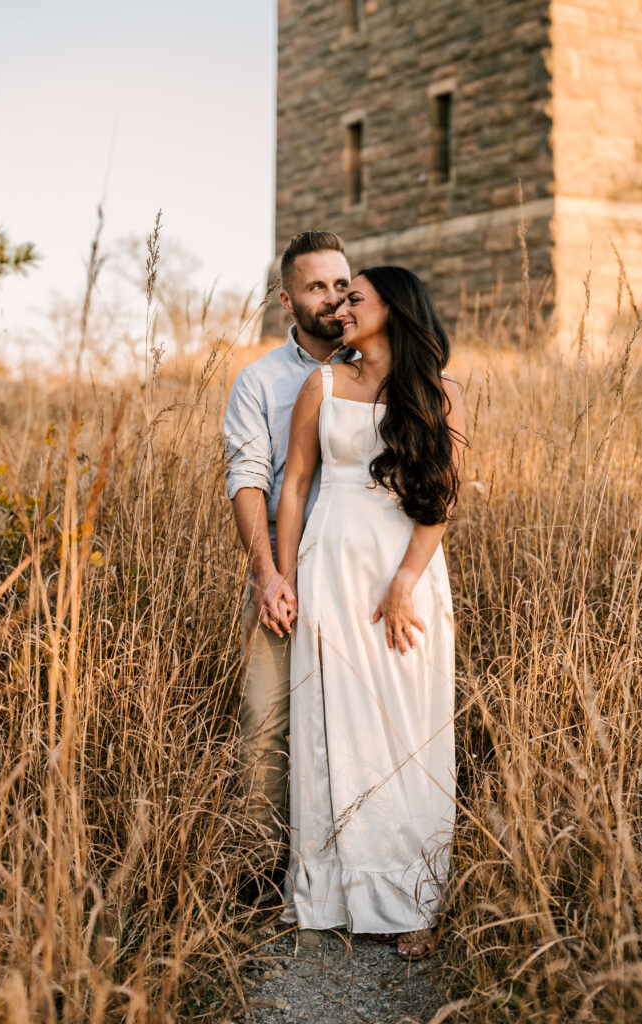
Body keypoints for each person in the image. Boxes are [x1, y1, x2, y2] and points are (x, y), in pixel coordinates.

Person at [276, 266, 466, 958]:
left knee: (408, 724)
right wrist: (284, 573)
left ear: (394, 308)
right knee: (335, 719)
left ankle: (413, 899)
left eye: (354, 298)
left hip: (404, 569)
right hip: (330, 560)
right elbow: (295, 484)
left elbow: (441, 497)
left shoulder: (437, 392)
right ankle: (332, 891)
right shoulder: (322, 383)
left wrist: (405, 581)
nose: (340, 307)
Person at [224, 230, 355, 899]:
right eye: (315, 287)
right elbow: (248, 476)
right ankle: (258, 869)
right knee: (266, 714)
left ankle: (352, 864)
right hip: (287, 570)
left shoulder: (382, 367)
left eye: (341, 284)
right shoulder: (261, 381)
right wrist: (267, 573)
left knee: (357, 714)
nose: (333, 299)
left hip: (359, 575)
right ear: (286, 301)